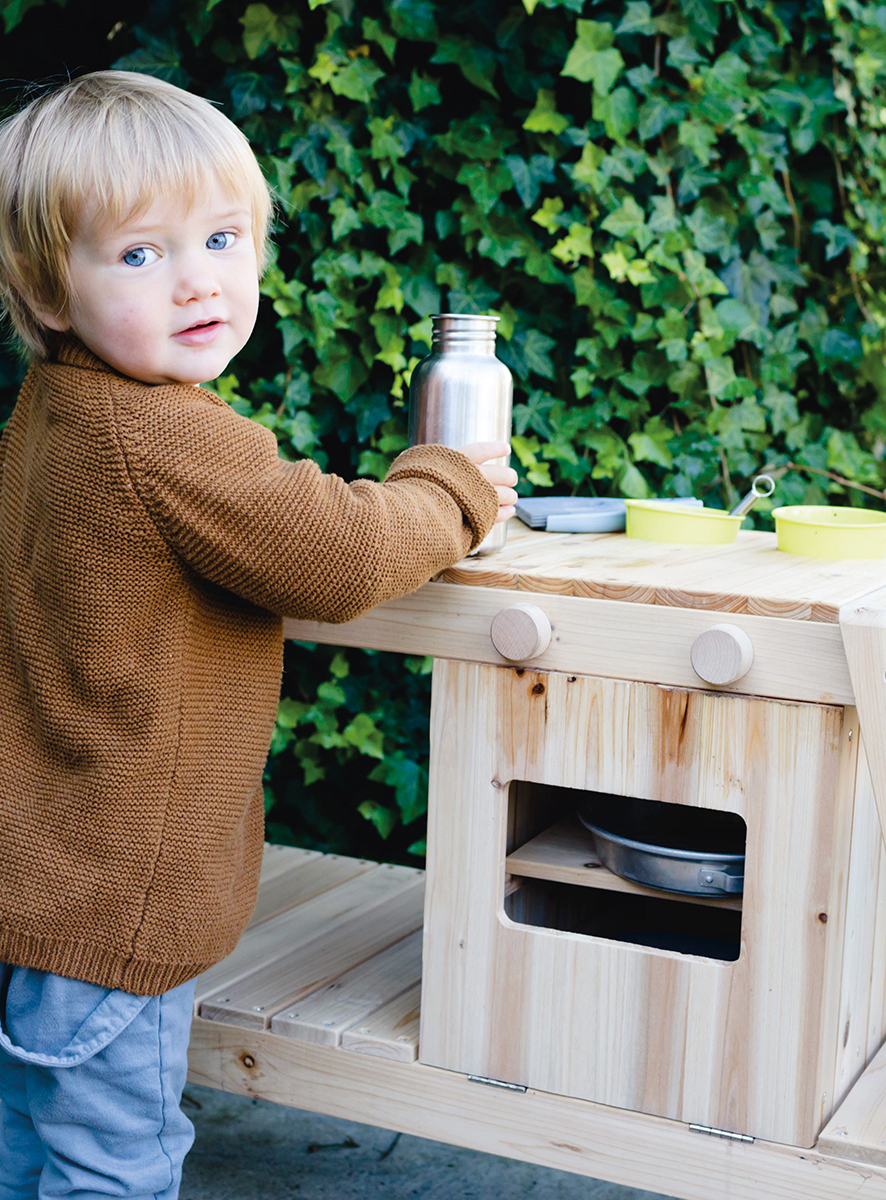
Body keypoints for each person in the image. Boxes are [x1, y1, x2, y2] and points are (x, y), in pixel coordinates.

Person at [0, 70, 516, 1199]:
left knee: (33, 1151)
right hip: (111, 909)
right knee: (112, 1170)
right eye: (140, 255)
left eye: (224, 238)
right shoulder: (160, 435)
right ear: (48, 292)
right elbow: (338, 553)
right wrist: (453, 487)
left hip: (39, 884)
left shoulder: (56, 410)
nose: (197, 280)